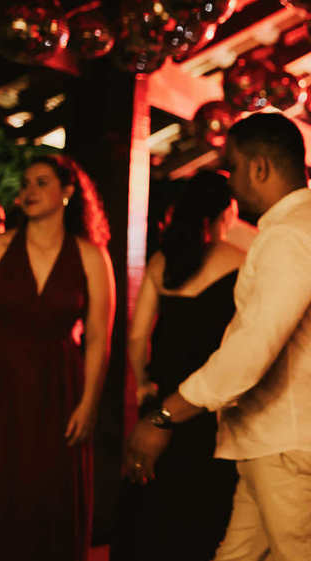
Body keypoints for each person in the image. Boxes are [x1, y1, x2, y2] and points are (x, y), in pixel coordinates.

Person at [125, 113, 311, 561]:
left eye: (232, 168)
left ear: (259, 167)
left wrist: (165, 415)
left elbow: (253, 347)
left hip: (290, 440)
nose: (230, 183)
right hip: (272, 439)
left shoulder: (294, 232)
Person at [0, 155, 115, 561]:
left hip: (57, 384)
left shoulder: (90, 256)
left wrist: (89, 403)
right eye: (26, 183)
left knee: (50, 492)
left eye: (41, 182)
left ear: (68, 191)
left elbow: (98, 339)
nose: (29, 191)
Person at [123, 170, 245, 561]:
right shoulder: (240, 261)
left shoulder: (162, 260)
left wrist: (142, 383)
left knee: (155, 507)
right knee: (204, 515)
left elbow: (137, 336)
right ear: (227, 212)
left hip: (162, 395)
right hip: (208, 402)